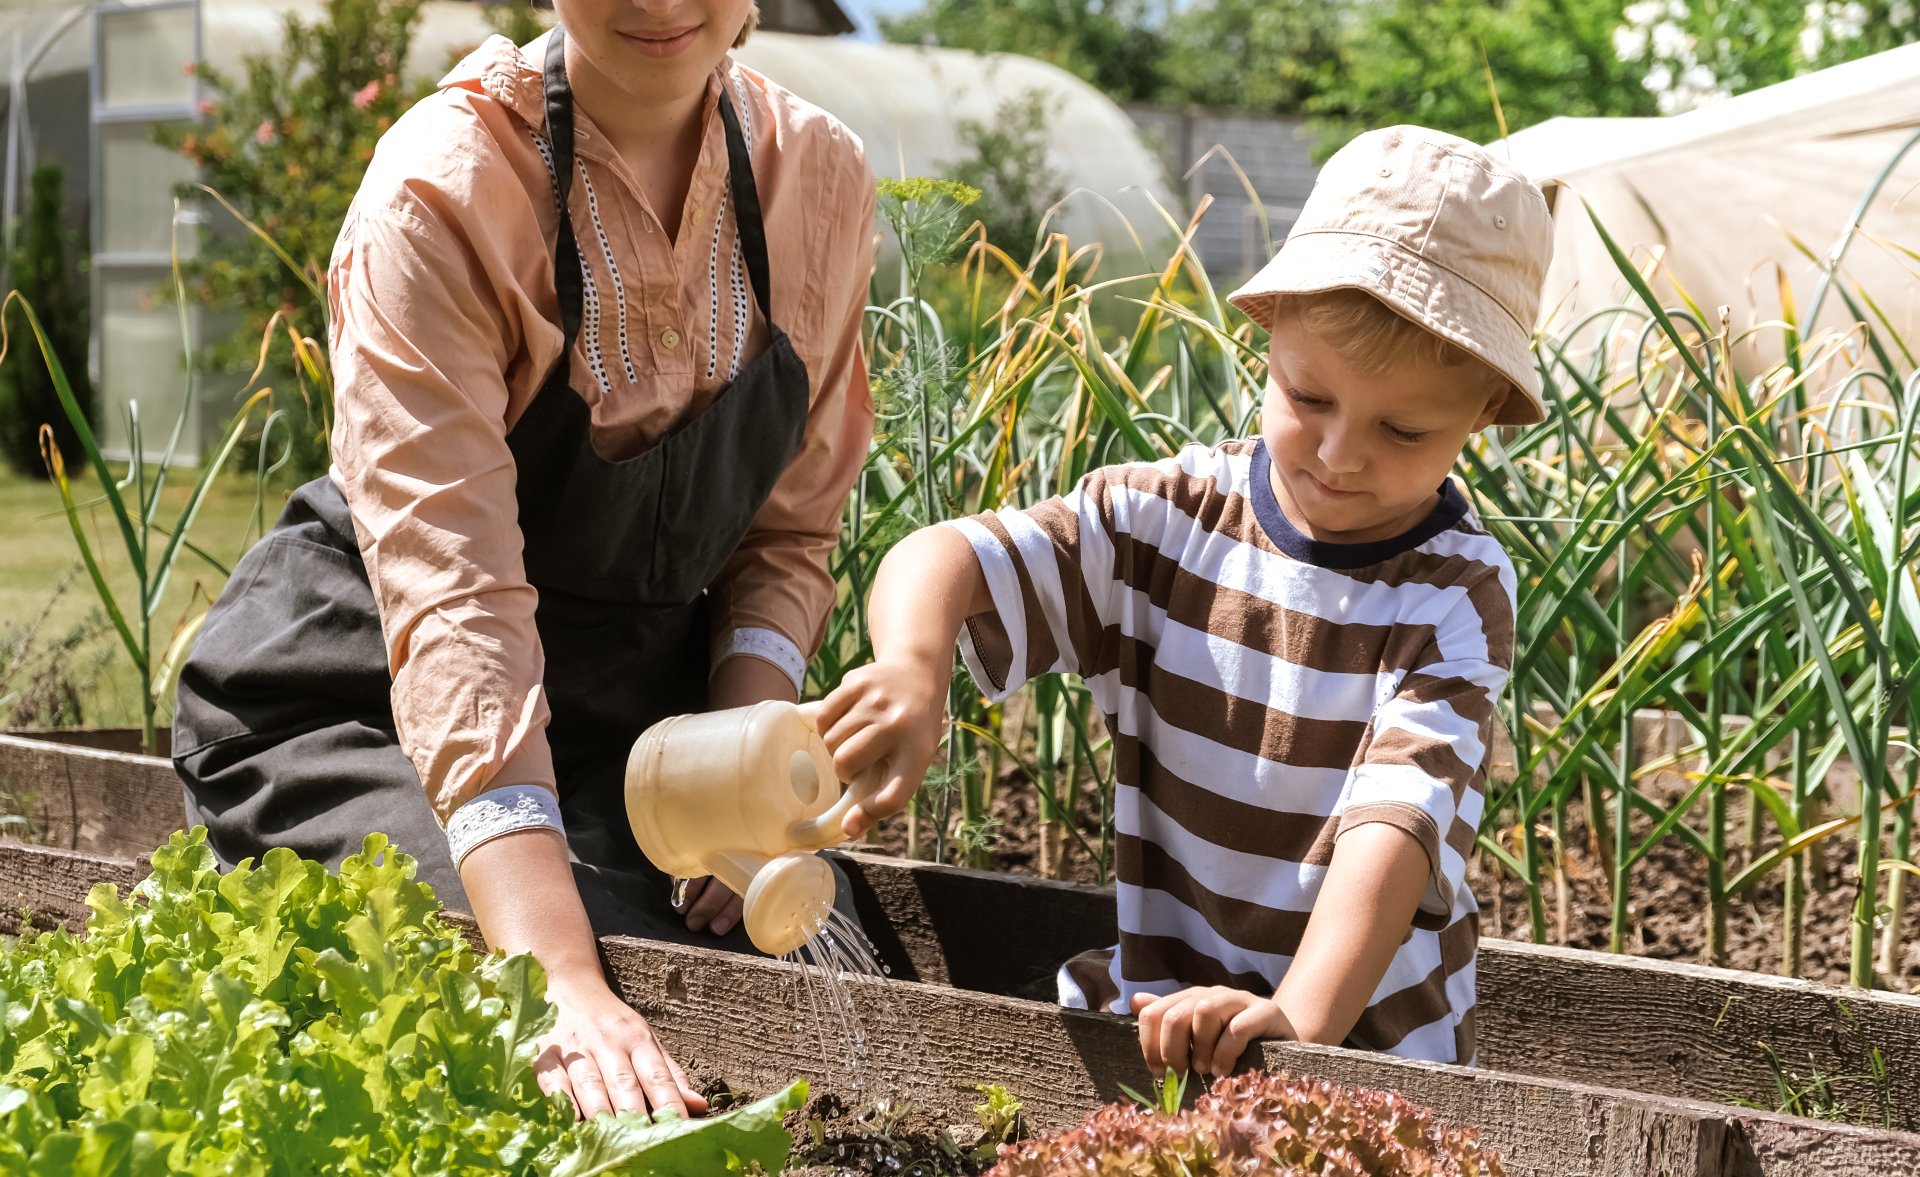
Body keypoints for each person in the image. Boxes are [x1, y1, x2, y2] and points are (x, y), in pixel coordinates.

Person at [170, 0, 876, 1121]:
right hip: (369, 700)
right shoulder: (446, 188)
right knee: (602, 1000)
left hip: (630, 724)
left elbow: (787, 536)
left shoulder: (818, 181)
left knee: (774, 944)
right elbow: (458, 608)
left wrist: (737, 774)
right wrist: (555, 978)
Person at [815, 125, 1552, 1076]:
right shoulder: (1162, 522)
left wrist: (1296, 1018)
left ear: (1486, 408)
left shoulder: (1453, 592)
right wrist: (913, 669)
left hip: (1368, 1053)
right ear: (1271, 326)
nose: (1339, 455)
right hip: (1159, 1018)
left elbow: (1395, 830)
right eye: (1308, 398)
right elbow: (945, 553)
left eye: (1404, 430)